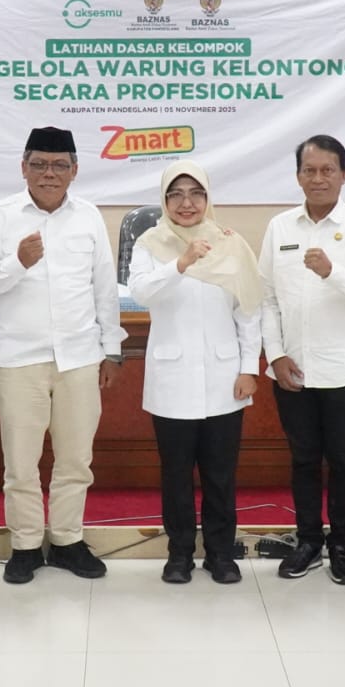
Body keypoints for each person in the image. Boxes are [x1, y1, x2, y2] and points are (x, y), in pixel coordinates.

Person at [0, 126, 126, 584]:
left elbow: (104, 287)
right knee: (20, 464)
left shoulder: (89, 217)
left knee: (75, 460)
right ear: (23, 168)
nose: (49, 173)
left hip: (80, 357)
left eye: (59, 165)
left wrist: (112, 350)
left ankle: (67, 541)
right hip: (20, 359)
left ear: (75, 170)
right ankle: (24, 546)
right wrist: (16, 262)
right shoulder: (0, 217)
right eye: (39, 164)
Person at [127, 161, 263, 585]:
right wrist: (181, 263)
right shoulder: (150, 244)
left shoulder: (230, 243)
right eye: (176, 195)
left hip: (225, 379)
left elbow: (249, 311)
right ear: (165, 201)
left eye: (195, 194)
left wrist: (249, 368)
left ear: (207, 198)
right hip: (172, 381)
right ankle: (179, 554)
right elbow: (141, 292)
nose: (186, 203)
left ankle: (221, 554)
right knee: (176, 476)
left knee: (221, 475)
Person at [259, 135, 345, 584]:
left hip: (343, 369)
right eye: (309, 170)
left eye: (327, 170)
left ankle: (342, 547)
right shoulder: (280, 227)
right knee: (303, 460)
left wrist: (334, 272)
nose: (318, 178)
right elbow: (267, 299)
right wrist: (275, 355)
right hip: (292, 369)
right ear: (298, 176)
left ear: (344, 175)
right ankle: (309, 542)